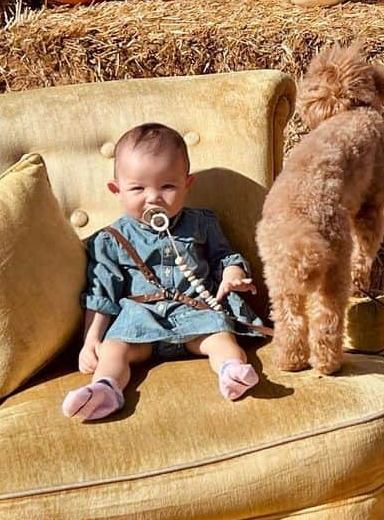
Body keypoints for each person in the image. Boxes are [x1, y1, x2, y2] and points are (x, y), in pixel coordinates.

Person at [61, 123, 265, 420]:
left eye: (167, 187)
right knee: (113, 350)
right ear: (116, 191)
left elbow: (224, 256)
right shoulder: (111, 240)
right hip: (140, 319)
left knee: (222, 339)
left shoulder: (201, 223)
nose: (153, 197)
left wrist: (232, 274)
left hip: (194, 311)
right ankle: (105, 389)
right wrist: (91, 339)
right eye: (137, 188)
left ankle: (232, 372)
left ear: (187, 184)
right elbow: (101, 292)